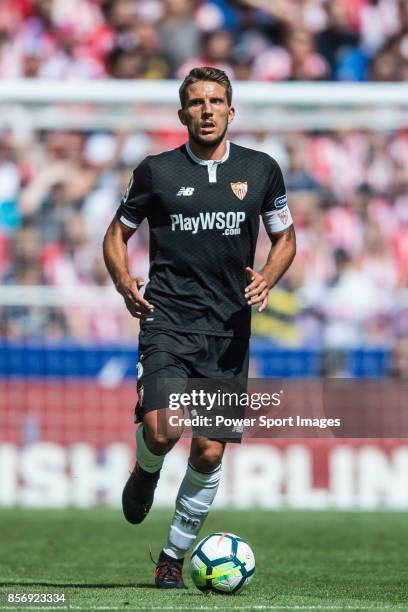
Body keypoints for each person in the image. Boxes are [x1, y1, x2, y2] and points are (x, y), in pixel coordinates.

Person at [103, 66, 296, 589]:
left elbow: (286, 239)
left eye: (216, 101)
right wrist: (124, 282)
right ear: (182, 113)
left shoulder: (261, 171)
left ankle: (171, 557)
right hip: (167, 321)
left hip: (229, 331)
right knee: (162, 430)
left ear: (231, 112)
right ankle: (145, 471)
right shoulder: (156, 172)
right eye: (196, 102)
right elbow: (115, 236)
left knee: (209, 450)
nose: (206, 110)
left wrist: (268, 280)